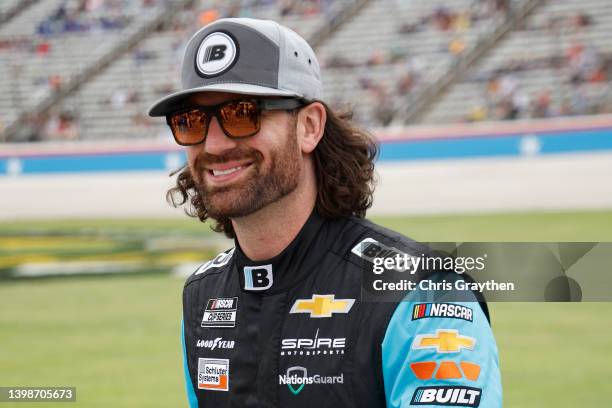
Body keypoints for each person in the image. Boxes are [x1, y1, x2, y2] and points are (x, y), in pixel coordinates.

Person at [148, 18, 501, 407]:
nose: (213, 143)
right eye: (191, 121)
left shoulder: (424, 293)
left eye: (242, 113)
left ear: (310, 126)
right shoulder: (202, 297)